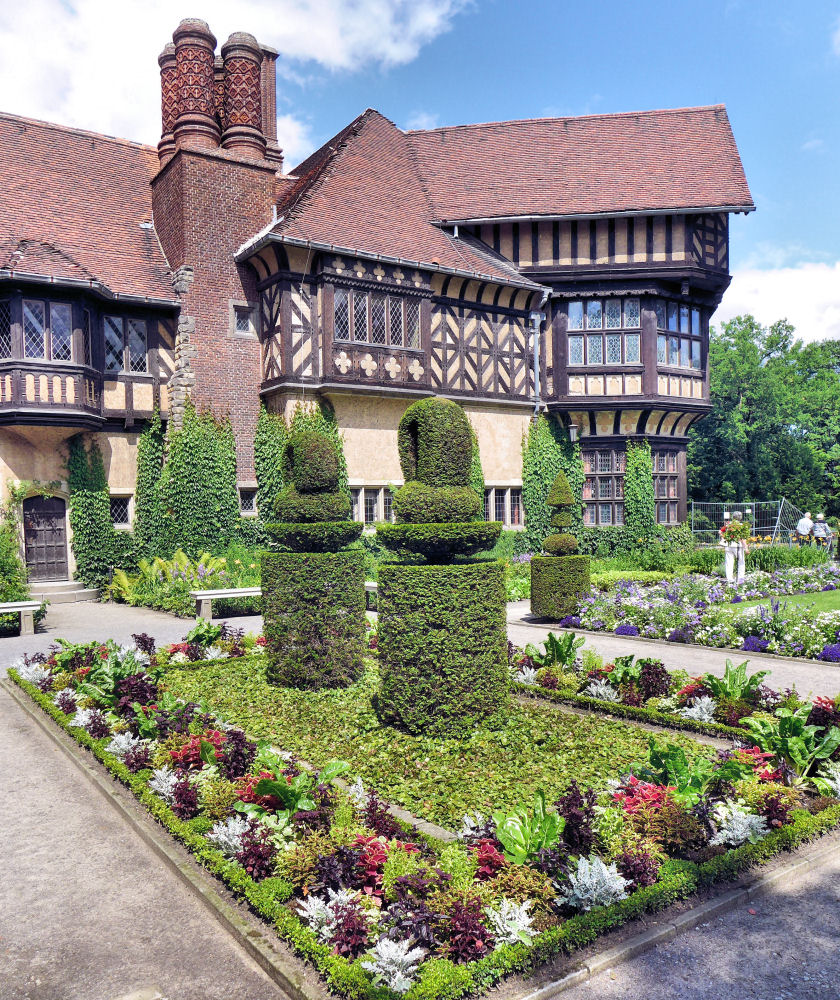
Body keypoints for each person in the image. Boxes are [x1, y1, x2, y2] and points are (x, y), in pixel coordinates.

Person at [720, 511, 748, 585]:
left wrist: (725, 538)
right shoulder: (741, 526)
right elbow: (743, 538)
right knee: (741, 562)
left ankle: (730, 580)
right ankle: (740, 580)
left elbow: (720, 532)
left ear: (733, 517)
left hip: (728, 546)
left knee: (729, 563)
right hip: (738, 546)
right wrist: (746, 548)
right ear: (740, 517)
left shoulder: (729, 524)